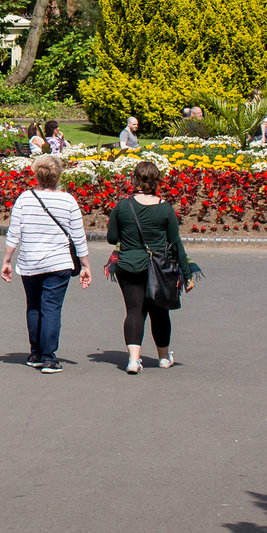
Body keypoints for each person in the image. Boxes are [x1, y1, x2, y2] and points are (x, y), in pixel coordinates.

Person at [0, 154, 90, 375]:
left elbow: (14, 233)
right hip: (58, 262)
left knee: (34, 306)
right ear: (58, 175)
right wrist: (85, 265)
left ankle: (36, 352)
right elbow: (78, 236)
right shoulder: (68, 200)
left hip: (30, 260)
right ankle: (49, 357)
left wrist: (7, 259)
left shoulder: (24, 199)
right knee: (51, 308)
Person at [105, 160, 193, 374]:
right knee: (160, 312)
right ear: (157, 181)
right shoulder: (165, 208)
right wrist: (187, 273)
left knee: (134, 311)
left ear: (134, 179)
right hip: (158, 267)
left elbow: (112, 238)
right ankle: (163, 357)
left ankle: (133, 360)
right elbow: (175, 243)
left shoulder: (123, 206)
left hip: (128, 264)